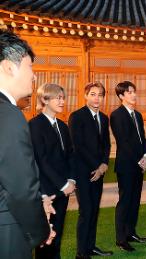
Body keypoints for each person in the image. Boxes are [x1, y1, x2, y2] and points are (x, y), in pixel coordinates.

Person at [0, 29, 52, 259]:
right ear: (9, 67)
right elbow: (20, 188)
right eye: (30, 66)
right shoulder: (9, 115)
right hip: (8, 230)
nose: (33, 76)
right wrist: (40, 231)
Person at [29, 83, 76, 259]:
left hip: (64, 190)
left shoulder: (63, 126)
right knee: (45, 239)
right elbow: (41, 160)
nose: (62, 101)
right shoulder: (35, 125)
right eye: (58, 97)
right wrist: (63, 184)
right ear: (44, 100)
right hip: (47, 191)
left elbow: (71, 155)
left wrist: (72, 181)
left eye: (63, 97)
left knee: (57, 235)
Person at [69, 82, 113, 258]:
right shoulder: (76, 116)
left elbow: (107, 144)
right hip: (83, 172)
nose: (97, 98)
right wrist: (97, 165)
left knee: (94, 211)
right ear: (86, 95)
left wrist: (103, 165)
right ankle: (81, 253)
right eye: (93, 94)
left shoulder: (104, 117)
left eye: (100, 95)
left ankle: (91, 246)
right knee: (86, 211)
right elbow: (77, 146)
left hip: (99, 172)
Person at [110, 81, 146, 252]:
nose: (134, 95)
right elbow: (123, 142)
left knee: (135, 201)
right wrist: (138, 160)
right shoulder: (116, 115)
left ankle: (131, 232)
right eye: (130, 92)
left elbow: (142, 139)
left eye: (134, 92)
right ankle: (120, 239)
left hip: (139, 164)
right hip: (126, 165)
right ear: (121, 96)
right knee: (125, 202)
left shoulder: (138, 115)